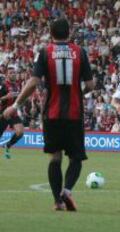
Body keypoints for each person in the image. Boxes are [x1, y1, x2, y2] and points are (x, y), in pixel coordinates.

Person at [3, 18, 95, 211]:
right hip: (74, 113)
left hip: (51, 114)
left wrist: (17, 105)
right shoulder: (80, 52)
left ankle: (57, 202)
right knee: (76, 157)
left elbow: (34, 82)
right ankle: (67, 191)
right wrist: (78, 93)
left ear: (51, 33)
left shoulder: (44, 53)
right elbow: (90, 85)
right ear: (69, 32)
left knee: (55, 157)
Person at [0, 66, 25, 159]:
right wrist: (6, 97)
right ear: (7, 75)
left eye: (14, 72)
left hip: (13, 113)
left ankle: (7, 145)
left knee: (20, 132)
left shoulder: (17, 85)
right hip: (3, 113)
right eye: (11, 73)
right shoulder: (3, 85)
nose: (13, 74)